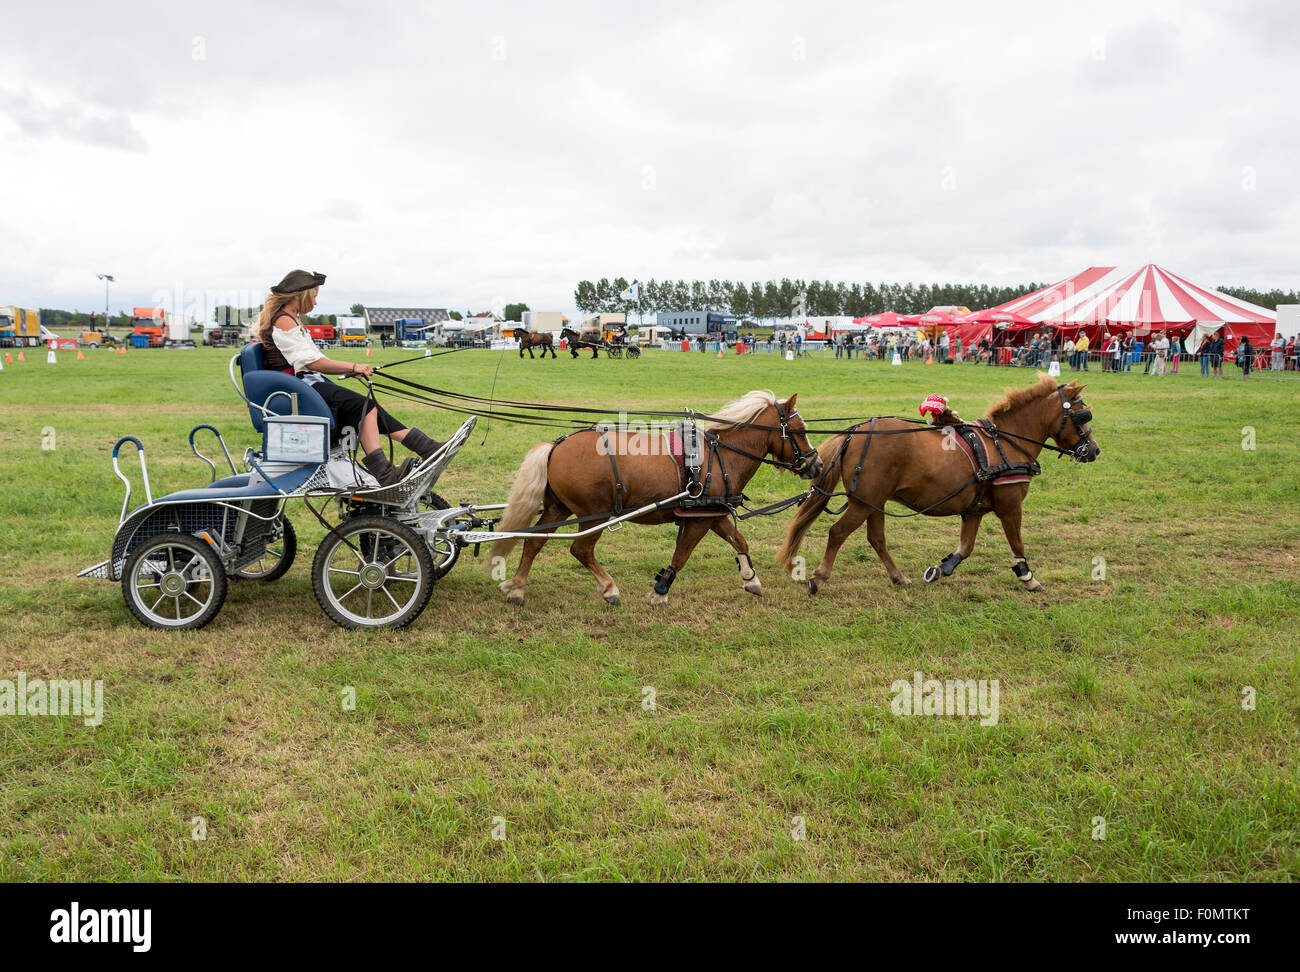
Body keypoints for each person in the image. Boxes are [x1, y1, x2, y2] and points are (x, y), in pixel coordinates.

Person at [257, 269, 443, 486]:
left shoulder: (291, 319)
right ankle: (385, 472)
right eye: (314, 297)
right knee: (365, 407)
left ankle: (427, 447)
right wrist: (353, 365)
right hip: (300, 388)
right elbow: (311, 362)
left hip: (308, 383)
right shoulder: (284, 321)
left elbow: (314, 359)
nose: (316, 303)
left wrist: (348, 370)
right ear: (300, 296)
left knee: (368, 409)